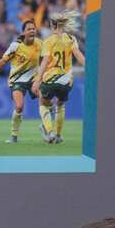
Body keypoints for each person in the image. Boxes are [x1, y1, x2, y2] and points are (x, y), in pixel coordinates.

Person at [0, 19, 45, 144]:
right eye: (29, 29)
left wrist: (43, 75)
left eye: (33, 29)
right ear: (23, 32)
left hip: (33, 79)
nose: (32, 31)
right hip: (17, 80)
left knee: (46, 98)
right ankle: (14, 135)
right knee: (19, 106)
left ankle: (46, 127)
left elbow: (45, 60)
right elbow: (3, 61)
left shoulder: (40, 44)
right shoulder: (15, 46)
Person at [36, 10, 85, 144]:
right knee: (60, 105)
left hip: (51, 78)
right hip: (66, 81)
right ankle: (58, 135)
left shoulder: (48, 41)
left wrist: (38, 80)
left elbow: (45, 62)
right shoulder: (71, 38)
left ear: (52, 25)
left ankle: (49, 132)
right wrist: (89, 67)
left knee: (42, 103)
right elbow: (78, 55)